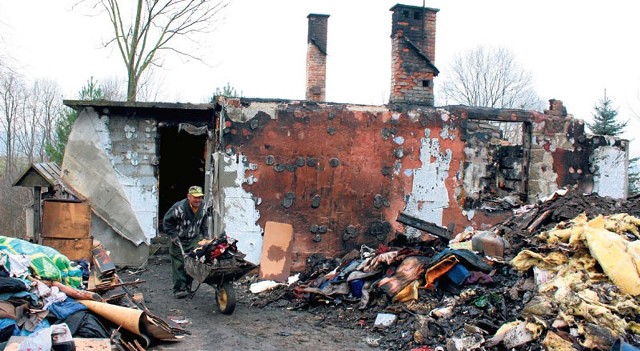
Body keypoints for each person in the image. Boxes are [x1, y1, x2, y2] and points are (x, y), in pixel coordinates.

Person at [163, 185, 208, 298]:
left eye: (200, 197)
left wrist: (205, 236)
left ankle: (188, 286)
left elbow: (204, 221)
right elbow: (167, 221)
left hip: (193, 239)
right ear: (189, 196)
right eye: (195, 197)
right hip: (178, 239)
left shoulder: (203, 206)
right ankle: (179, 289)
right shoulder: (179, 208)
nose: (198, 200)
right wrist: (173, 236)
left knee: (192, 263)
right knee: (179, 264)